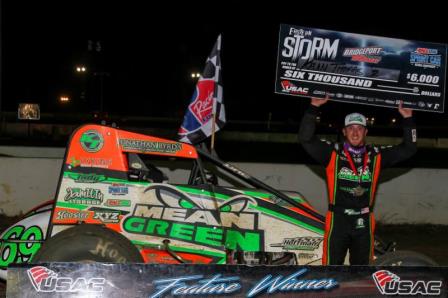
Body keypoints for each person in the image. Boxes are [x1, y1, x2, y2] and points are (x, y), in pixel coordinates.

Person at [298, 96, 417, 265]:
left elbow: (409, 148)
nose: (355, 132)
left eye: (359, 128)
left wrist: (408, 119)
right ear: (344, 132)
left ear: (366, 132)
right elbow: (305, 139)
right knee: (331, 270)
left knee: (361, 272)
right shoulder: (333, 153)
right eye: (350, 128)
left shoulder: (376, 155)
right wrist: (313, 108)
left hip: (364, 221)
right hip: (338, 220)